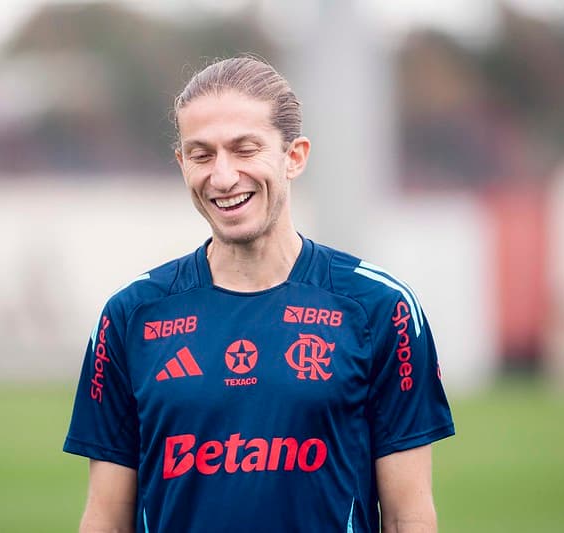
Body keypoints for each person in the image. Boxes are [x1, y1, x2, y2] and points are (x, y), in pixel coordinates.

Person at [64, 56, 454, 533]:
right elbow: (105, 518)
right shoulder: (131, 315)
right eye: (202, 154)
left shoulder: (380, 309)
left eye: (245, 150)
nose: (223, 177)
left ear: (294, 156)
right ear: (182, 163)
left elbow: (406, 517)